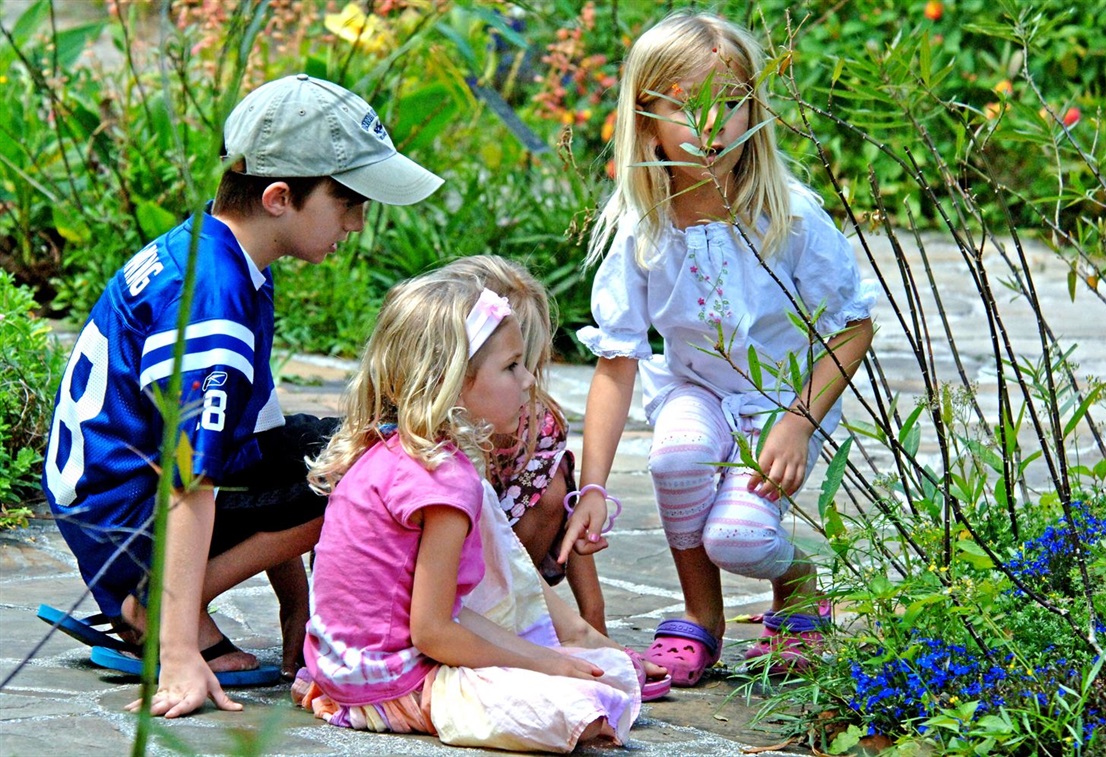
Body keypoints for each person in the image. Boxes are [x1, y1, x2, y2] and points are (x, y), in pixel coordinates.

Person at [40, 73, 443, 718]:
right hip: (131, 521)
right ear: (281, 196)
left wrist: (295, 599)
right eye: (348, 202)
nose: (360, 222)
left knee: (352, 450)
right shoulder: (213, 298)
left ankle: (170, 604)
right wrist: (177, 657)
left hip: (121, 502)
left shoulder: (231, 258)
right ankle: (155, 612)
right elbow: (189, 481)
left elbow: (258, 437)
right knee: (367, 476)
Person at [561, 12, 877, 686]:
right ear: (645, 119)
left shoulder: (787, 216)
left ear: (755, 114)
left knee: (737, 535)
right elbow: (617, 363)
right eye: (686, 107)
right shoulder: (641, 226)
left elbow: (852, 327)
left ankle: (797, 583)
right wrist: (591, 485)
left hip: (776, 398)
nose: (711, 128)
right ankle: (704, 617)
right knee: (675, 460)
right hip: (692, 390)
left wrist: (799, 419)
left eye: (730, 106)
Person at [295, 268, 639, 752]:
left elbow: (442, 612)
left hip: (344, 666)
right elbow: (433, 630)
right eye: (513, 367)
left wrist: (539, 656)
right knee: (585, 708)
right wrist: (546, 664)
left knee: (608, 675)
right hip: (392, 680)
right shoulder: (446, 481)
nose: (527, 383)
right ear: (453, 382)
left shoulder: (394, 449)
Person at [443, 254, 607, 634]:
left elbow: (569, 510)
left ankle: (515, 618)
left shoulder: (537, 423)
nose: (531, 380)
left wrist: (593, 622)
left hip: (503, 566)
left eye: (530, 364)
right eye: (513, 366)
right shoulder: (421, 439)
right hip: (428, 587)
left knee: (553, 487)